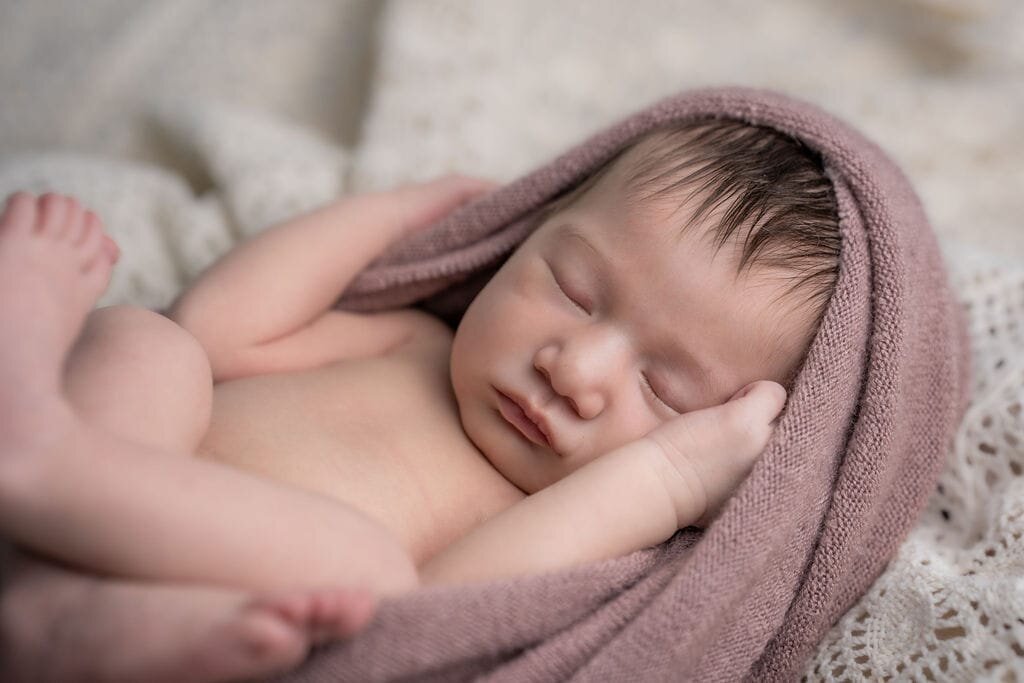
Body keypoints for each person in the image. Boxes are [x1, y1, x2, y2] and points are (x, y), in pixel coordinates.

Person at [0, 118, 840, 681]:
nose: (575, 367)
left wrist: (672, 478)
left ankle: (61, 550)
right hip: (112, 468)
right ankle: (49, 474)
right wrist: (395, 213)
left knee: (368, 575)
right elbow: (220, 328)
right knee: (154, 342)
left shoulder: (567, 518)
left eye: (663, 388)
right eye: (572, 288)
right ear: (520, 234)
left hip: (196, 621)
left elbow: (442, 614)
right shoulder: (414, 342)